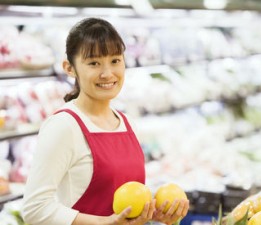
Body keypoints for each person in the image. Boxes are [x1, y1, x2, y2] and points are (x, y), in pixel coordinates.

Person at [22, 17, 189, 225]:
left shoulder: (127, 123)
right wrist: (103, 223)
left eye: (115, 61)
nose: (107, 73)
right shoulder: (64, 125)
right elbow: (34, 208)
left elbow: (122, 204)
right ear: (69, 68)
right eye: (94, 63)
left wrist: (152, 212)